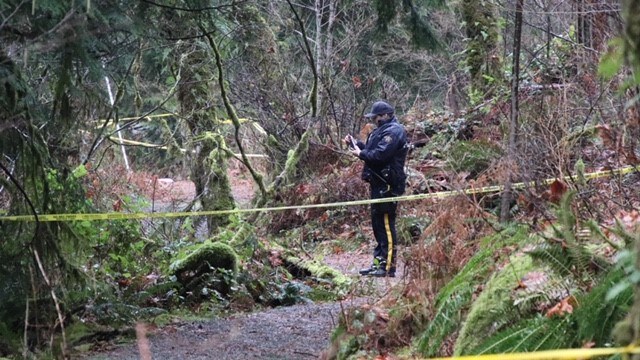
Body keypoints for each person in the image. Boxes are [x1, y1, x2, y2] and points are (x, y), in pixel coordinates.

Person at [344, 101, 408, 277]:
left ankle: (388, 267)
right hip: (378, 182)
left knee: (386, 225)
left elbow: (380, 155)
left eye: (377, 117)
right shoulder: (380, 131)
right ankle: (378, 264)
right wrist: (355, 145)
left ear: (386, 115)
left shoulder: (394, 131)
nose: (375, 120)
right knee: (378, 225)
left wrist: (361, 154)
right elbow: (371, 151)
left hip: (389, 184)